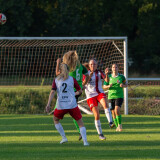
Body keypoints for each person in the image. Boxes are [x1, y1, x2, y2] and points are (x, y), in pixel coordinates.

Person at [46, 63, 89, 146]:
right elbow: (80, 91)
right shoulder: (72, 79)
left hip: (61, 105)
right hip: (72, 104)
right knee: (80, 123)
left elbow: (52, 92)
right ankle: (85, 142)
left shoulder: (56, 80)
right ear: (68, 70)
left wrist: (48, 104)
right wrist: (74, 94)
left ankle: (64, 137)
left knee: (55, 119)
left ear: (60, 71)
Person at [55, 51, 89, 140]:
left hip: (70, 92)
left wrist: (58, 63)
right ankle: (80, 131)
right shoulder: (80, 65)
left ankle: (78, 131)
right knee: (73, 111)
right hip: (78, 91)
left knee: (69, 112)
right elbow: (87, 75)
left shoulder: (68, 66)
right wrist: (84, 84)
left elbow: (57, 74)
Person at [83, 59, 113, 140]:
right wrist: (89, 76)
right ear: (89, 66)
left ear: (97, 65)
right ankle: (100, 134)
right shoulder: (86, 74)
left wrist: (106, 74)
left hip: (99, 93)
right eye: (91, 64)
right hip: (90, 96)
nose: (93, 66)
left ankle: (110, 122)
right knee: (97, 115)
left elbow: (106, 80)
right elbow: (83, 84)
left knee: (105, 104)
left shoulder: (99, 72)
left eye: (94, 64)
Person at [103, 64, 127, 131]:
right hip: (111, 97)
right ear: (111, 68)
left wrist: (123, 85)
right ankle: (117, 127)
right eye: (113, 67)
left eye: (116, 67)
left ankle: (120, 125)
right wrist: (108, 86)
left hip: (119, 96)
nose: (114, 68)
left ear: (118, 68)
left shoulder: (121, 77)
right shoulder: (109, 77)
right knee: (113, 112)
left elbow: (126, 84)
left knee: (117, 110)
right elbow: (104, 86)